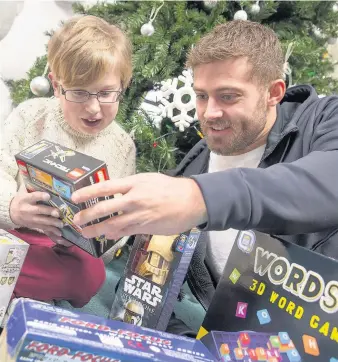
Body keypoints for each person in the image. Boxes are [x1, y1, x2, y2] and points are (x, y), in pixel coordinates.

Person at [71, 20, 338, 333]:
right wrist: (192, 347)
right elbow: (144, 294)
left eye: (228, 96)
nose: (209, 112)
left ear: (273, 93)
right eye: (201, 95)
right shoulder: (193, 168)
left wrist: (200, 198)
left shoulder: (322, 120)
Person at [0, 15, 136, 308]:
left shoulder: (122, 146)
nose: (93, 107)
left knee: (90, 275)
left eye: (106, 93)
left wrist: (99, 239)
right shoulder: (29, 116)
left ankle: (14, 286)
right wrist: (11, 208)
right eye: (78, 92)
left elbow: (121, 221)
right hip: (12, 232)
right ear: (56, 85)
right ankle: (20, 290)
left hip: (66, 252)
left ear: (123, 85)